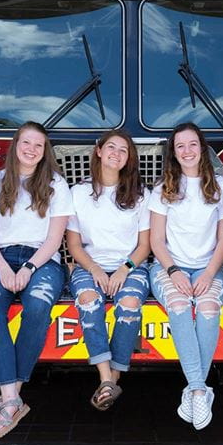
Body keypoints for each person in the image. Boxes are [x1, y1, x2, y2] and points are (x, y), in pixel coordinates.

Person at [0, 122, 73, 439]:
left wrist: (28, 268)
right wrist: (3, 268)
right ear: (15, 145)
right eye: (26, 143)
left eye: (38, 145)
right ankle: (12, 399)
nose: (31, 149)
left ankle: (9, 398)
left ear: (45, 153)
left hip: (42, 260)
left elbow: (54, 240)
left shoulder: (57, 185)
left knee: (36, 307)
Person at [148, 122, 223, 431]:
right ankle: (199, 389)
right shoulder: (162, 189)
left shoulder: (221, 187)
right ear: (173, 152)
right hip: (169, 266)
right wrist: (173, 271)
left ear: (202, 148)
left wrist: (210, 273)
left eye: (192, 144)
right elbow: (156, 241)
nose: (187, 151)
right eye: (180, 146)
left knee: (209, 309)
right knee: (180, 305)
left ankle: (195, 389)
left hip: (210, 266)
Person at [67, 130, 151, 410]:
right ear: (99, 151)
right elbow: (74, 245)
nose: (116, 153)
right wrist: (95, 270)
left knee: (128, 305)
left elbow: (144, 246)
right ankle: (107, 377)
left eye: (124, 150)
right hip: (89, 266)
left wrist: (123, 270)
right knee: (89, 302)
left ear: (129, 159)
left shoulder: (141, 195)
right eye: (111, 147)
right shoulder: (78, 193)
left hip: (131, 266)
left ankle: (113, 378)